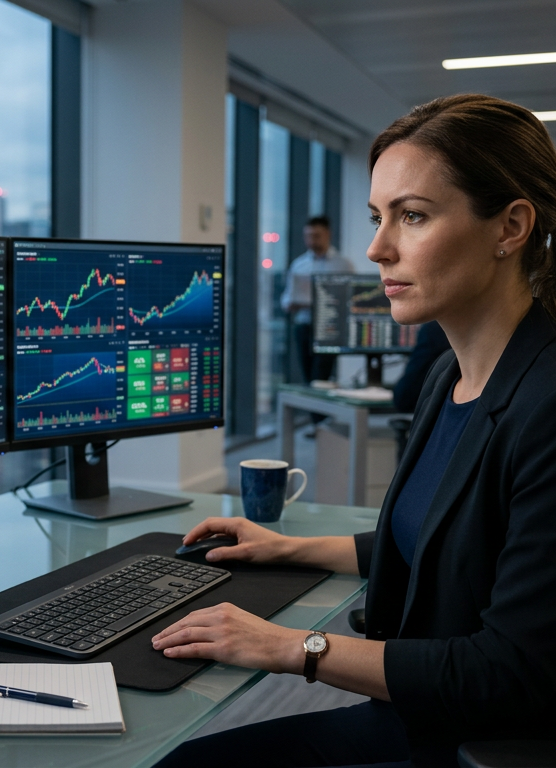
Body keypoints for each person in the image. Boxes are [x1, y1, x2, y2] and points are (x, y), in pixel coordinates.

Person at [153, 94, 556, 768]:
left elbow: (512, 670)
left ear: (510, 227)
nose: (376, 248)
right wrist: (286, 548)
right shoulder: (448, 380)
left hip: (475, 741)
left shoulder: (545, 406)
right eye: (377, 218)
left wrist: (292, 648)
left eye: (413, 216)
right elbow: (444, 537)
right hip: (418, 716)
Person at [280, 216, 354, 382]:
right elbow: (286, 299)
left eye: (316, 235)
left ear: (328, 234)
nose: (311, 240)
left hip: (329, 328)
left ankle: (319, 408)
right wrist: (292, 303)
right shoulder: (299, 265)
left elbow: (350, 297)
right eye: (308, 236)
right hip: (305, 325)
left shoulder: (342, 265)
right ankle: (313, 408)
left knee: (321, 375)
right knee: (308, 376)